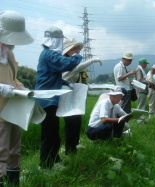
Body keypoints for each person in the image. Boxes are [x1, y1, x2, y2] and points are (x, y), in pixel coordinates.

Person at [35, 27, 83, 169]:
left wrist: (66, 83)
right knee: (49, 134)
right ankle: (45, 165)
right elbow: (67, 64)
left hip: (50, 99)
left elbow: (51, 77)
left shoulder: (48, 55)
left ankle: (54, 159)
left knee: (53, 134)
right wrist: (78, 55)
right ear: (56, 41)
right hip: (46, 99)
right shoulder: (49, 54)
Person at [0, 10, 34, 186]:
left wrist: (21, 87)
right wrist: (2, 88)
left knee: (15, 149)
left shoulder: (9, 55)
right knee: (1, 151)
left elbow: (13, 78)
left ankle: (14, 182)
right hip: (0, 112)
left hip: (13, 109)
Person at [62, 38, 102, 155]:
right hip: (67, 97)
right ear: (67, 50)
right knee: (70, 123)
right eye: (75, 48)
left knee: (77, 123)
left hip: (77, 96)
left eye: (78, 49)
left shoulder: (75, 63)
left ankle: (74, 145)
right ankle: (70, 150)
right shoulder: (65, 62)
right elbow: (75, 69)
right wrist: (92, 60)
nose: (78, 51)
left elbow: (82, 76)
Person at [134, 58, 154, 124]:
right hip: (141, 90)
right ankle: (140, 120)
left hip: (142, 90)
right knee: (141, 106)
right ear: (142, 63)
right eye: (146, 64)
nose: (146, 65)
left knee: (142, 105)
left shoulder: (140, 69)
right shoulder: (139, 70)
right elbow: (140, 80)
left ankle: (142, 119)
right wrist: (149, 82)